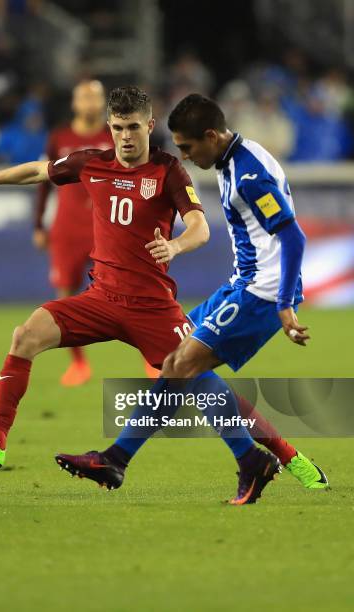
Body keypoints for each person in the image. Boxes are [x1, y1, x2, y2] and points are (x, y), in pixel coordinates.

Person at [55, 93, 329, 504]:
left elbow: (293, 235)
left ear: (211, 135)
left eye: (186, 148)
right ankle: (118, 459)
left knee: (183, 365)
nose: (183, 156)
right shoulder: (234, 157)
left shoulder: (247, 176)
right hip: (243, 283)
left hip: (262, 292)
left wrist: (286, 302)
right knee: (178, 367)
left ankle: (127, 459)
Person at [34, 80, 111, 385]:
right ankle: (79, 364)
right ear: (74, 103)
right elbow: (42, 181)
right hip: (66, 227)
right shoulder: (59, 137)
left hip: (107, 227)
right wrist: (39, 224)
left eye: (96, 98)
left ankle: (151, 361)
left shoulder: (114, 135)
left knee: (130, 292)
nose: (91, 103)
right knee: (65, 295)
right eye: (85, 97)